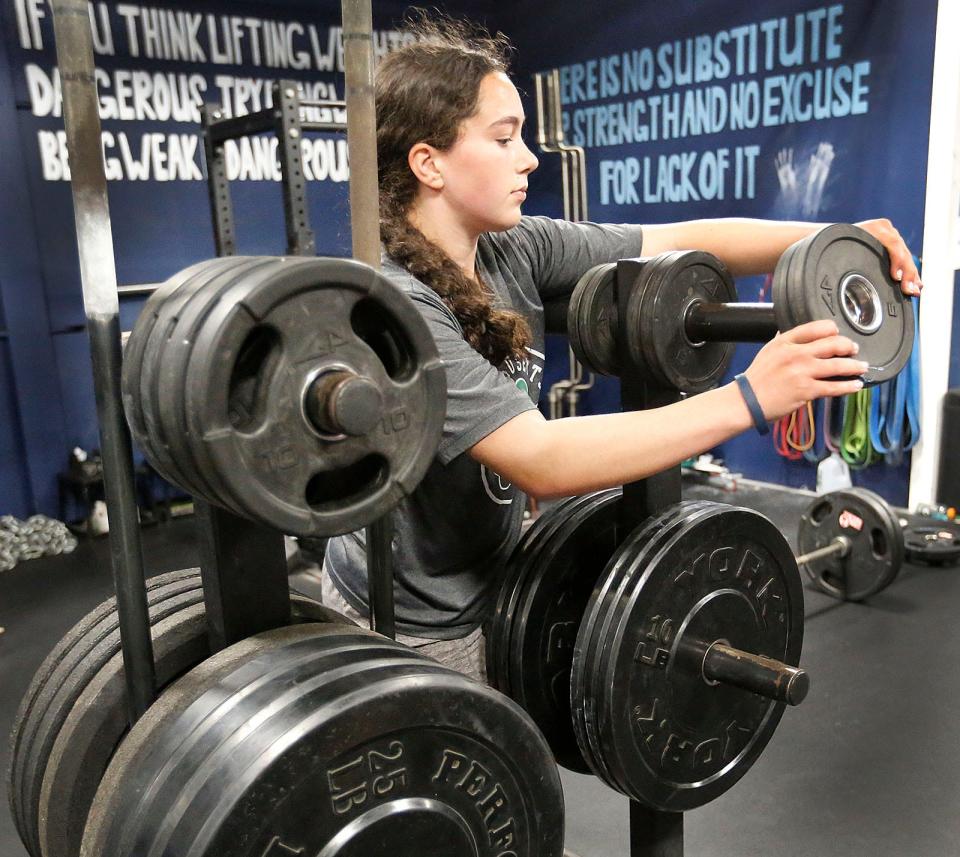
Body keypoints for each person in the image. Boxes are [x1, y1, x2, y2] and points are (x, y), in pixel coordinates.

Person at [320, 15, 923, 682]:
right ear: (428, 162)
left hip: (495, 583)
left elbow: (681, 240)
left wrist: (829, 238)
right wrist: (754, 394)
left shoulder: (511, 246)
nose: (529, 158)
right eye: (504, 138)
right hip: (410, 624)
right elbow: (541, 459)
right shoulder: (397, 303)